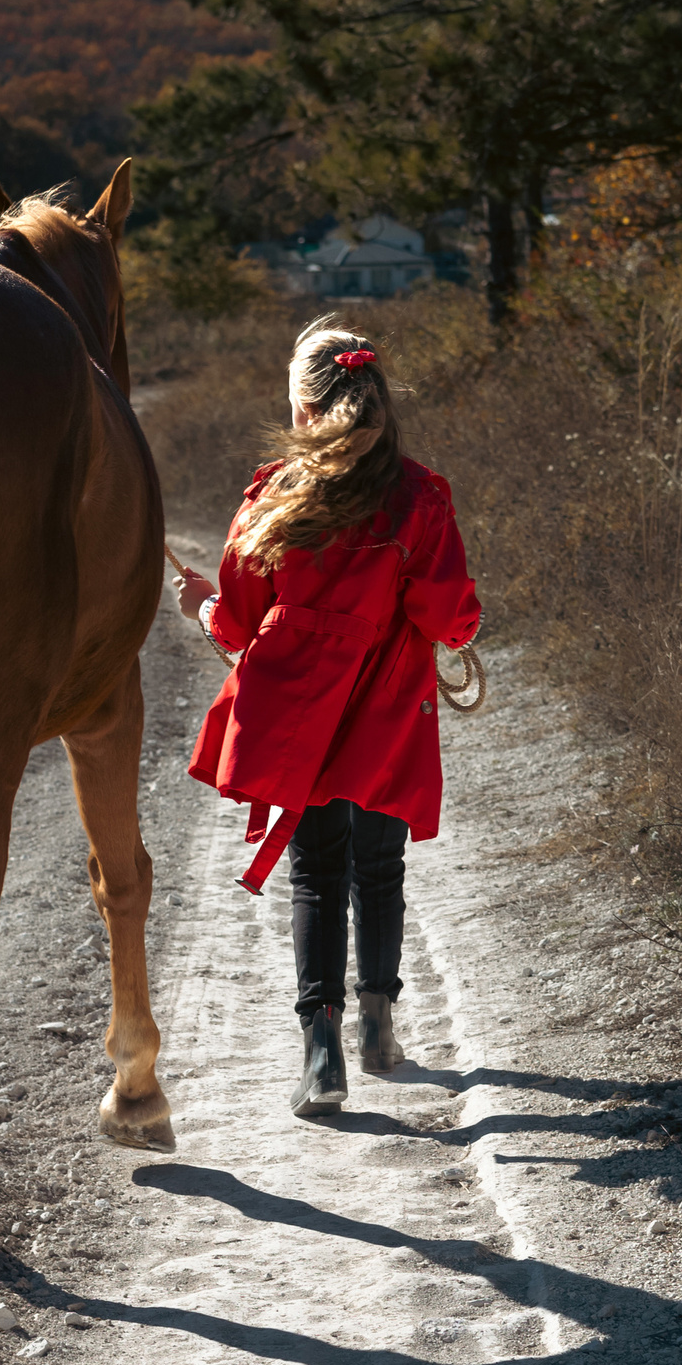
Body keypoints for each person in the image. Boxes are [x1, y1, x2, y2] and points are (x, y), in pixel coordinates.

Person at [178, 318, 483, 1117]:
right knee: (379, 865)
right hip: (388, 713)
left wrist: (200, 607)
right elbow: (450, 617)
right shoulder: (418, 499)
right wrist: (459, 630)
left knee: (316, 870)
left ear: (304, 410)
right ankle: (379, 1029)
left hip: (304, 724)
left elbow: (239, 626)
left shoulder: (273, 501)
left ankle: (322, 1058)